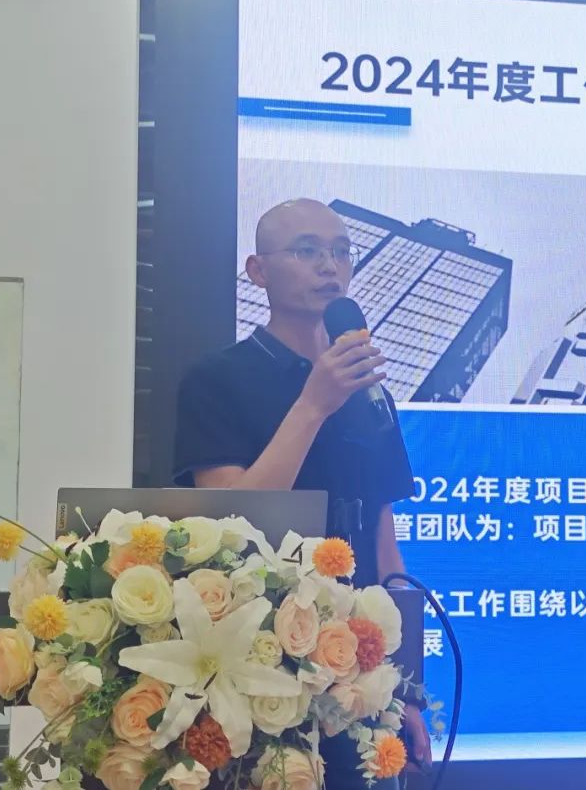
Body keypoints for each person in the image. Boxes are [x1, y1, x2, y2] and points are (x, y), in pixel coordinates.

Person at [173, 198, 432, 788]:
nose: (328, 266)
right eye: (307, 250)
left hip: (357, 670)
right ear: (257, 271)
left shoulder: (369, 390)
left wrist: (407, 687)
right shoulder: (216, 379)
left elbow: (383, 541)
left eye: (341, 252)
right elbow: (230, 523)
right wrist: (314, 404)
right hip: (260, 665)